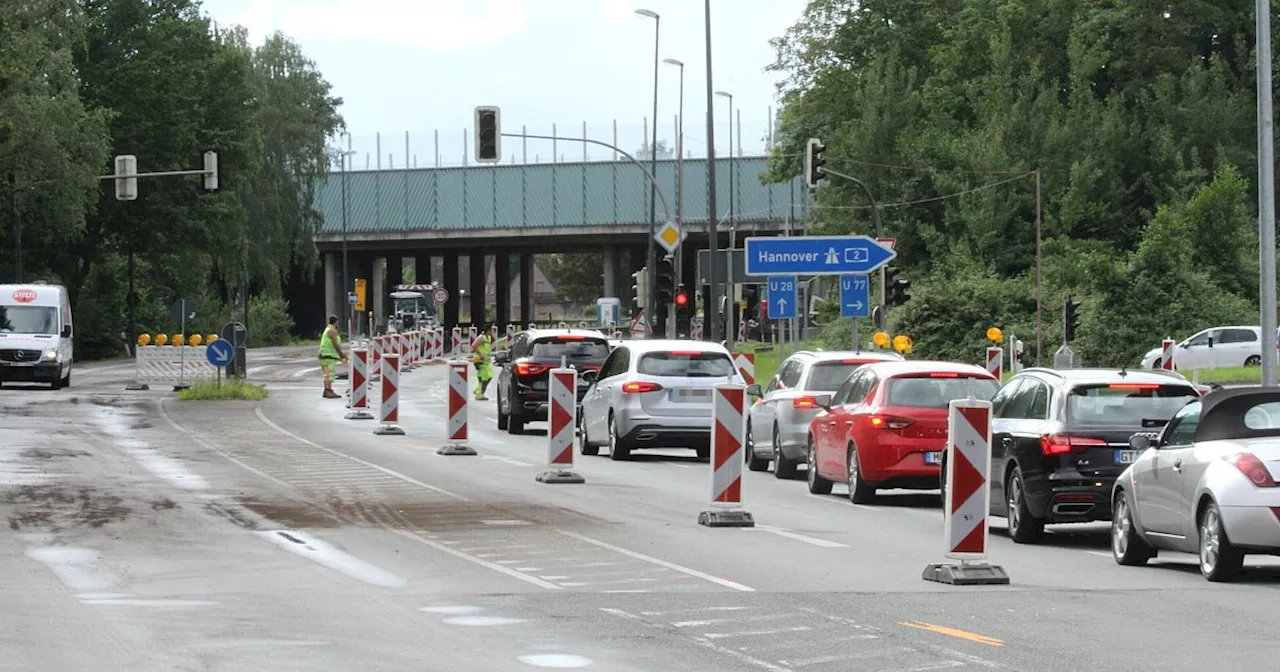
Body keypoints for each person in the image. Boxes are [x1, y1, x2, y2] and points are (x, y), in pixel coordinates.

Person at [318, 315, 347, 399]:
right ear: (336, 322)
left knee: (328, 374)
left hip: (325, 355)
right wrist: (341, 355)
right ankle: (327, 391)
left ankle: (328, 390)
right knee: (328, 374)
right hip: (327, 356)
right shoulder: (332, 331)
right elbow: (336, 345)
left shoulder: (328, 329)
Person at [472, 325, 494, 401]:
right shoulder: (481, 338)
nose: (492, 332)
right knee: (484, 378)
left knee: (487, 377)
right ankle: (479, 394)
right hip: (480, 361)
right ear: (488, 330)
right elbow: (474, 346)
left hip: (486, 362)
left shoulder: (488, 338)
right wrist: (480, 355)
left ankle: (478, 391)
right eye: (491, 330)